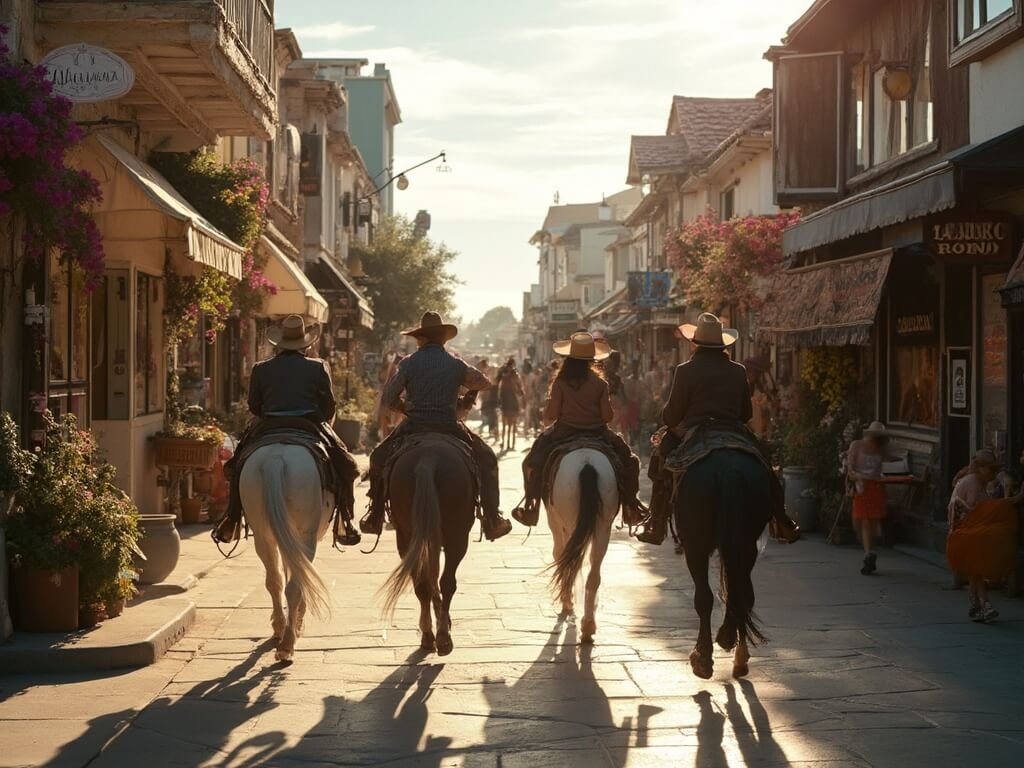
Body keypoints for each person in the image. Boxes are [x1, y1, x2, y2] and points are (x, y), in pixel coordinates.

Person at [637, 313, 800, 545]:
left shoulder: (685, 370)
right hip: (733, 430)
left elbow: (671, 415)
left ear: (695, 343)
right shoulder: (737, 370)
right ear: (722, 343)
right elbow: (745, 413)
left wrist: (674, 421)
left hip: (695, 430)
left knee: (660, 461)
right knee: (764, 462)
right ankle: (782, 519)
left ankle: (657, 523)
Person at [361, 312, 512, 541]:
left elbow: (389, 397)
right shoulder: (455, 364)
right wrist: (467, 400)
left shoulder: (409, 363)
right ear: (443, 338)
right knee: (487, 459)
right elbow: (484, 382)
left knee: (378, 457)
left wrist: (406, 409)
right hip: (448, 425)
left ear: (420, 338)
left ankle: (375, 513)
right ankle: (492, 518)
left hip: (415, 425)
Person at [213, 315, 360, 546]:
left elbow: (254, 405)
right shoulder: (318, 367)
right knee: (346, 465)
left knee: (237, 464)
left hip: (268, 424)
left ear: (279, 344)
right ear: (307, 344)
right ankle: (346, 519)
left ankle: (231, 519)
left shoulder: (261, 369)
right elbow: (329, 406)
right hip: (309, 423)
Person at [511, 332, 646, 527]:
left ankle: (531, 507)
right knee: (630, 461)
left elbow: (551, 416)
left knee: (531, 462)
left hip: (563, 432)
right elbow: (607, 417)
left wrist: (548, 421)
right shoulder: (600, 384)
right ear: (592, 360)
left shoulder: (560, 382)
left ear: (568, 358)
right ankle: (632, 507)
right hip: (598, 433)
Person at [947, 449, 1021, 623]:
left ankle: (977, 604)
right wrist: (1013, 500)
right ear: (979, 468)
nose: (994, 474)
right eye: (991, 469)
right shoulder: (973, 484)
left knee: (976, 570)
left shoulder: (977, 483)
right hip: (965, 533)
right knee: (978, 567)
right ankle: (984, 604)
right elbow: (977, 512)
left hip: (969, 532)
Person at [846, 422, 895, 575]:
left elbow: (890, 461)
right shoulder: (857, 445)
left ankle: (869, 552)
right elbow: (850, 468)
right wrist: (855, 476)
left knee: (868, 521)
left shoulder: (880, 449)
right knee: (862, 522)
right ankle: (869, 550)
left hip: (872, 486)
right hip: (865, 486)